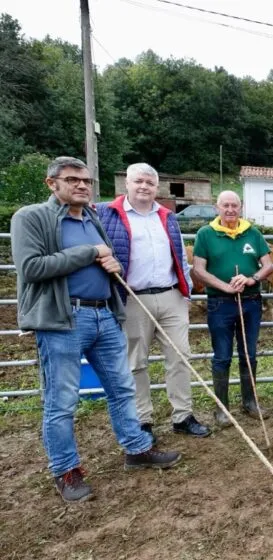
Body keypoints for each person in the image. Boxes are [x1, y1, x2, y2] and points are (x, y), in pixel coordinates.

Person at [11, 156, 181, 503]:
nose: (82, 186)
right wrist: (89, 252)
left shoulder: (92, 217)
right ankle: (66, 470)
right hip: (63, 319)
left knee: (122, 387)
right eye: (72, 179)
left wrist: (111, 263)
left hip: (104, 315)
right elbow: (31, 268)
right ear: (51, 183)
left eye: (86, 180)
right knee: (62, 400)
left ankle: (136, 448)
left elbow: (104, 260)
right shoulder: (32, 217)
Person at [96, 163, 210, 441]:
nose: (144, 186)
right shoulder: (105, 213)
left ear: (156, 187)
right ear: (127, 184)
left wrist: (184, 291)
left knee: (181, 357)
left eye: (149, 182)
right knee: (136, 361)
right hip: (133, 298)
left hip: (171, 295)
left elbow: (179, 254)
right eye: (139, 181)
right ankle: (142, 419)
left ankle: (182, 415)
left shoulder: (167, 216)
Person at [191, 190, 273, 426]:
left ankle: (250, 402)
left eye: (234, 206)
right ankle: (222, 408)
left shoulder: (252, 232)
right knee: (222, 356)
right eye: (225, 205)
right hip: (220, 303)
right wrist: (225, 287)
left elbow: (267, 265)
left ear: (241, 207)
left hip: (250, 302)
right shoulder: (206, 234)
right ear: (217, 207)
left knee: (249, 354)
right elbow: (199, 269)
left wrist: (252, 279)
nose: (230, 210)